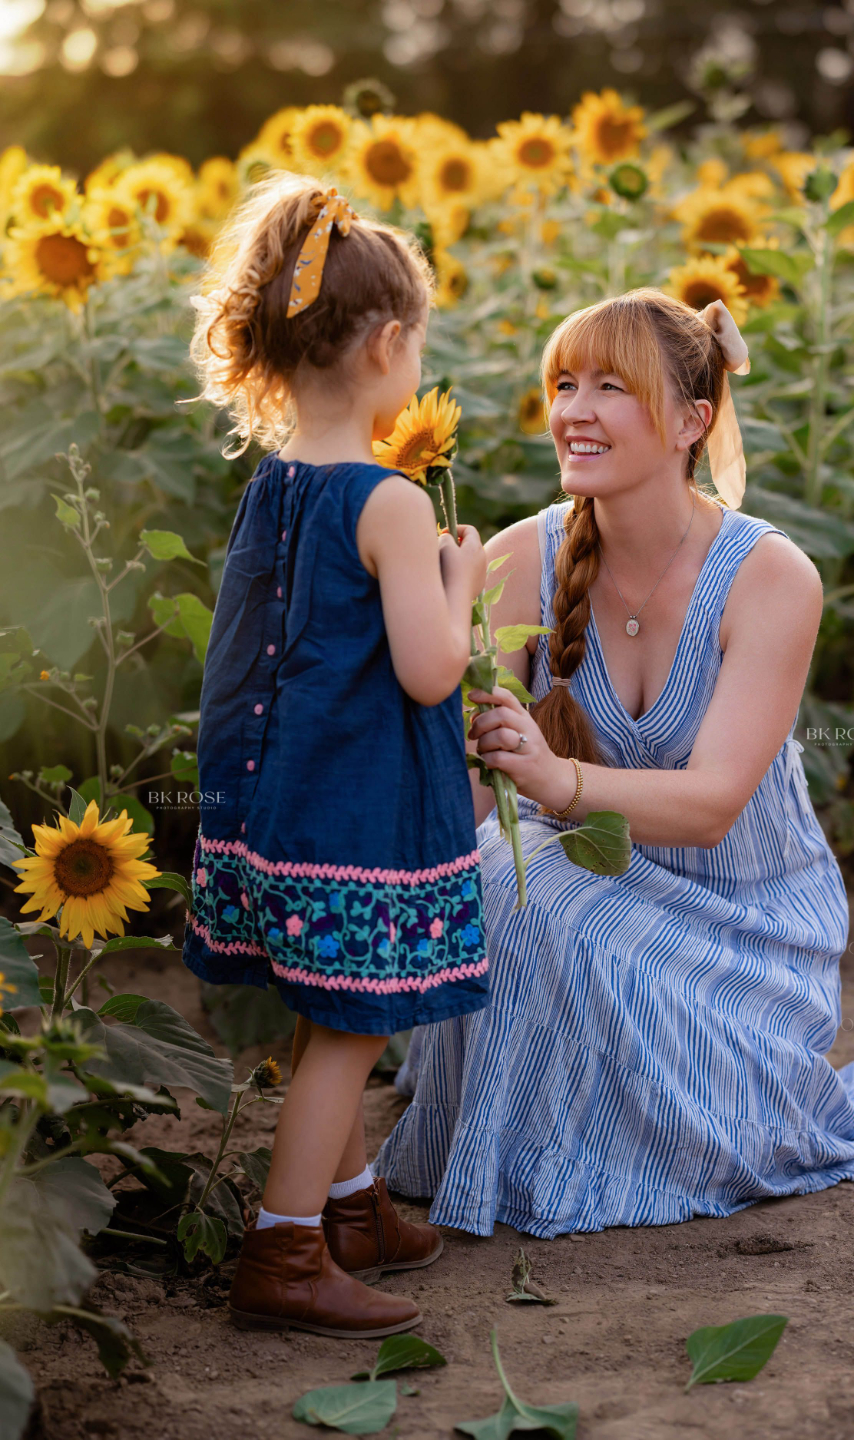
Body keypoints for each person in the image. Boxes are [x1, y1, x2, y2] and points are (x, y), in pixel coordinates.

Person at [375, 287, 854, 1239]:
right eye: (563, 383)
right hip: (567, 898)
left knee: (534, 890)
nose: (572, 411)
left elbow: (716, 802)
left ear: (693, 420)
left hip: (740, 932)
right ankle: (508, 1137)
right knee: (499, 883)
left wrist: (557, 782)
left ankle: (598, 1148)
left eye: (611, 387)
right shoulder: (522, 557)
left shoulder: (770, 576)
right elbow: (472, 803)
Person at [181, 173, 489, 1332]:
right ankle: (285, 1254)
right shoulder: (391, 501)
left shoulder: (272, 486)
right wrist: (459, 586)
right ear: (390, 346)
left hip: (269, 805)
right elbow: (426, 669)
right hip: (354, 810)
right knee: (355, 1025)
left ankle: (353, 1206)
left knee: (327, 1004)